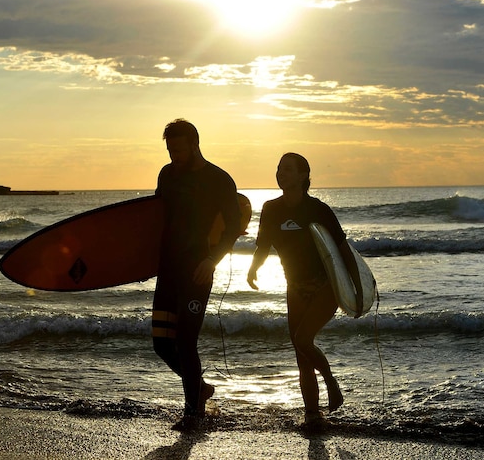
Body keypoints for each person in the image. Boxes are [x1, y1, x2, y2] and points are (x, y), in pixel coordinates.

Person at [246, 153, 361, 429]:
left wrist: (356, 287)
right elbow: (263, 245)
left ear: (303, 176)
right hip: (294, 286)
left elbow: (342, 250)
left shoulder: (318, 209)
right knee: (301, 353)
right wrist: (253, 268)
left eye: (287, 169)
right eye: (278, 169)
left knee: (302, 339)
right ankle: (312, 415)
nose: (280, 173)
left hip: (324, 286)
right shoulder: (271, 209)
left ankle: (331, 382)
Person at [153, 119, 242, 431]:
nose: (173, 155)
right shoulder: (167, 174)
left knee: (186, 340)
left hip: (197, 269)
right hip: (168, 269)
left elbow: (234, 226)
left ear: (194, 144)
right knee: (162, 345)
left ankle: (193, 413)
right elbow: (156, 219)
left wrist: (212, 260)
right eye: (169, 150)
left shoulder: (218, 179)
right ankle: (201, 389)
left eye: (178, 149)